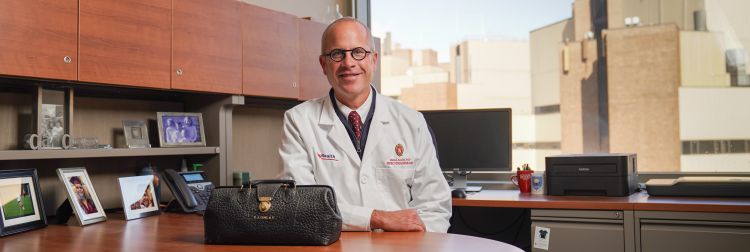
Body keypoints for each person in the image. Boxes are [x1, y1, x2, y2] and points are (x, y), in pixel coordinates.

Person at [279, 17, 451, 232]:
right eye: (337, 54)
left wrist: (416, 243)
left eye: (358, 52)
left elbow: (435, 206)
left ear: (374, 60)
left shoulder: (411, 121)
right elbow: (302, 204)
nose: (349, 63)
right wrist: (375, 218)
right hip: (335, 246)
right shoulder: (299, 121)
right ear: (324, 64)